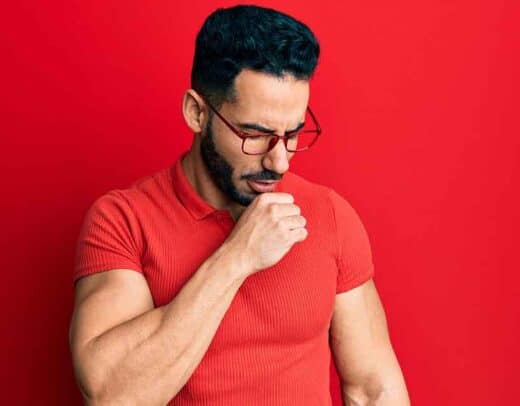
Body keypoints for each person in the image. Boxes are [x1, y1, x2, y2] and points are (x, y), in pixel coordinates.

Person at [69, 5, 410, 405]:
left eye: (292, 135)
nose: (279, 162)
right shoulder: (122, 220)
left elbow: (373, 389)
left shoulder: (329, 214)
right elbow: (112, 395)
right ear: (197, 113)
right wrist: (237, 258)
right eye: (255, 134)